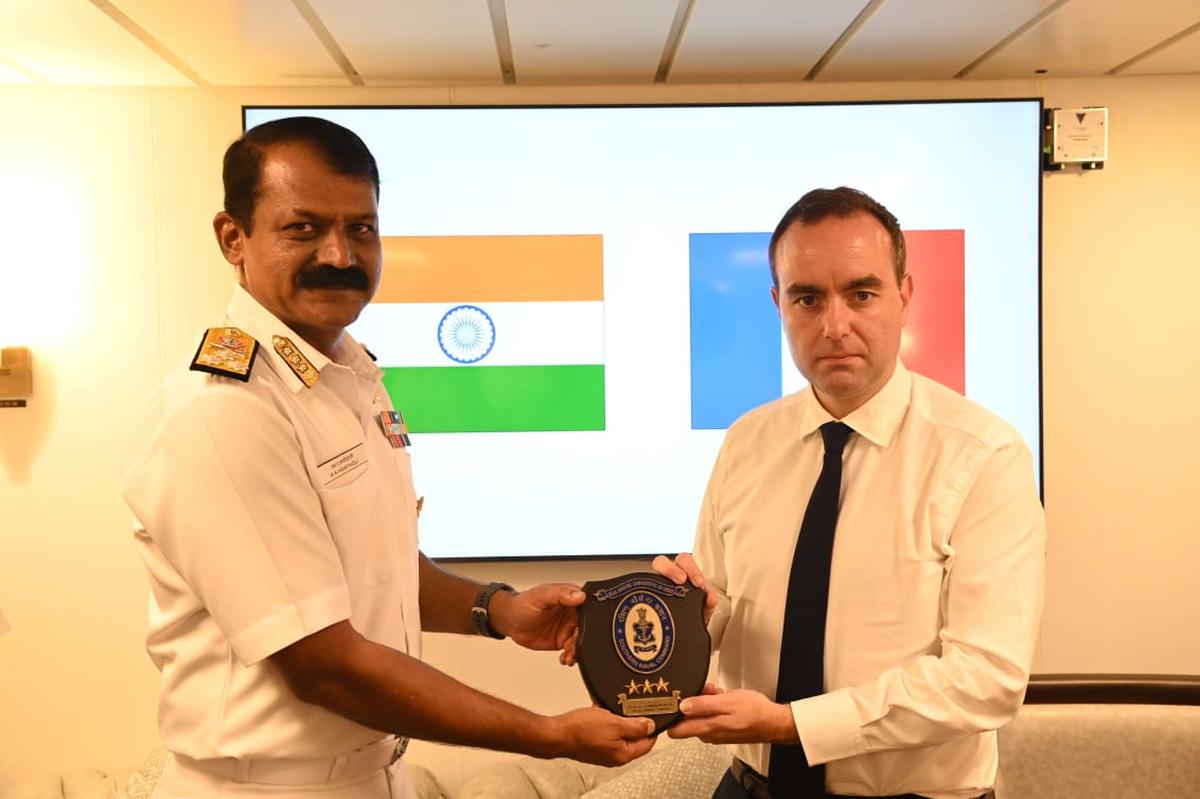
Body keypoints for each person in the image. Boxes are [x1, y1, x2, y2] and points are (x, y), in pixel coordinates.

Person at [121, 116, 655, 799]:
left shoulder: (350, 375)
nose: (340, 254)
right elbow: (324, 665)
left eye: (361, 228)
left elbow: (380, 565)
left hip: (375, 774)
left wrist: (499, 609)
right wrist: (548, 734)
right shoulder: (225, 409)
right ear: (234, 237)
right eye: (303, 228)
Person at [654, 187, 1045, 799]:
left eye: (861, 294)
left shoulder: (984, 455)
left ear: (904, 297)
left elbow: (986, 679)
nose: (835, 326)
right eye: (808, 298)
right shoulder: (746, 441)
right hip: (751, 788)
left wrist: (794, 725)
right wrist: (680, 617)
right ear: (779, 304)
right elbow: (725, 602)